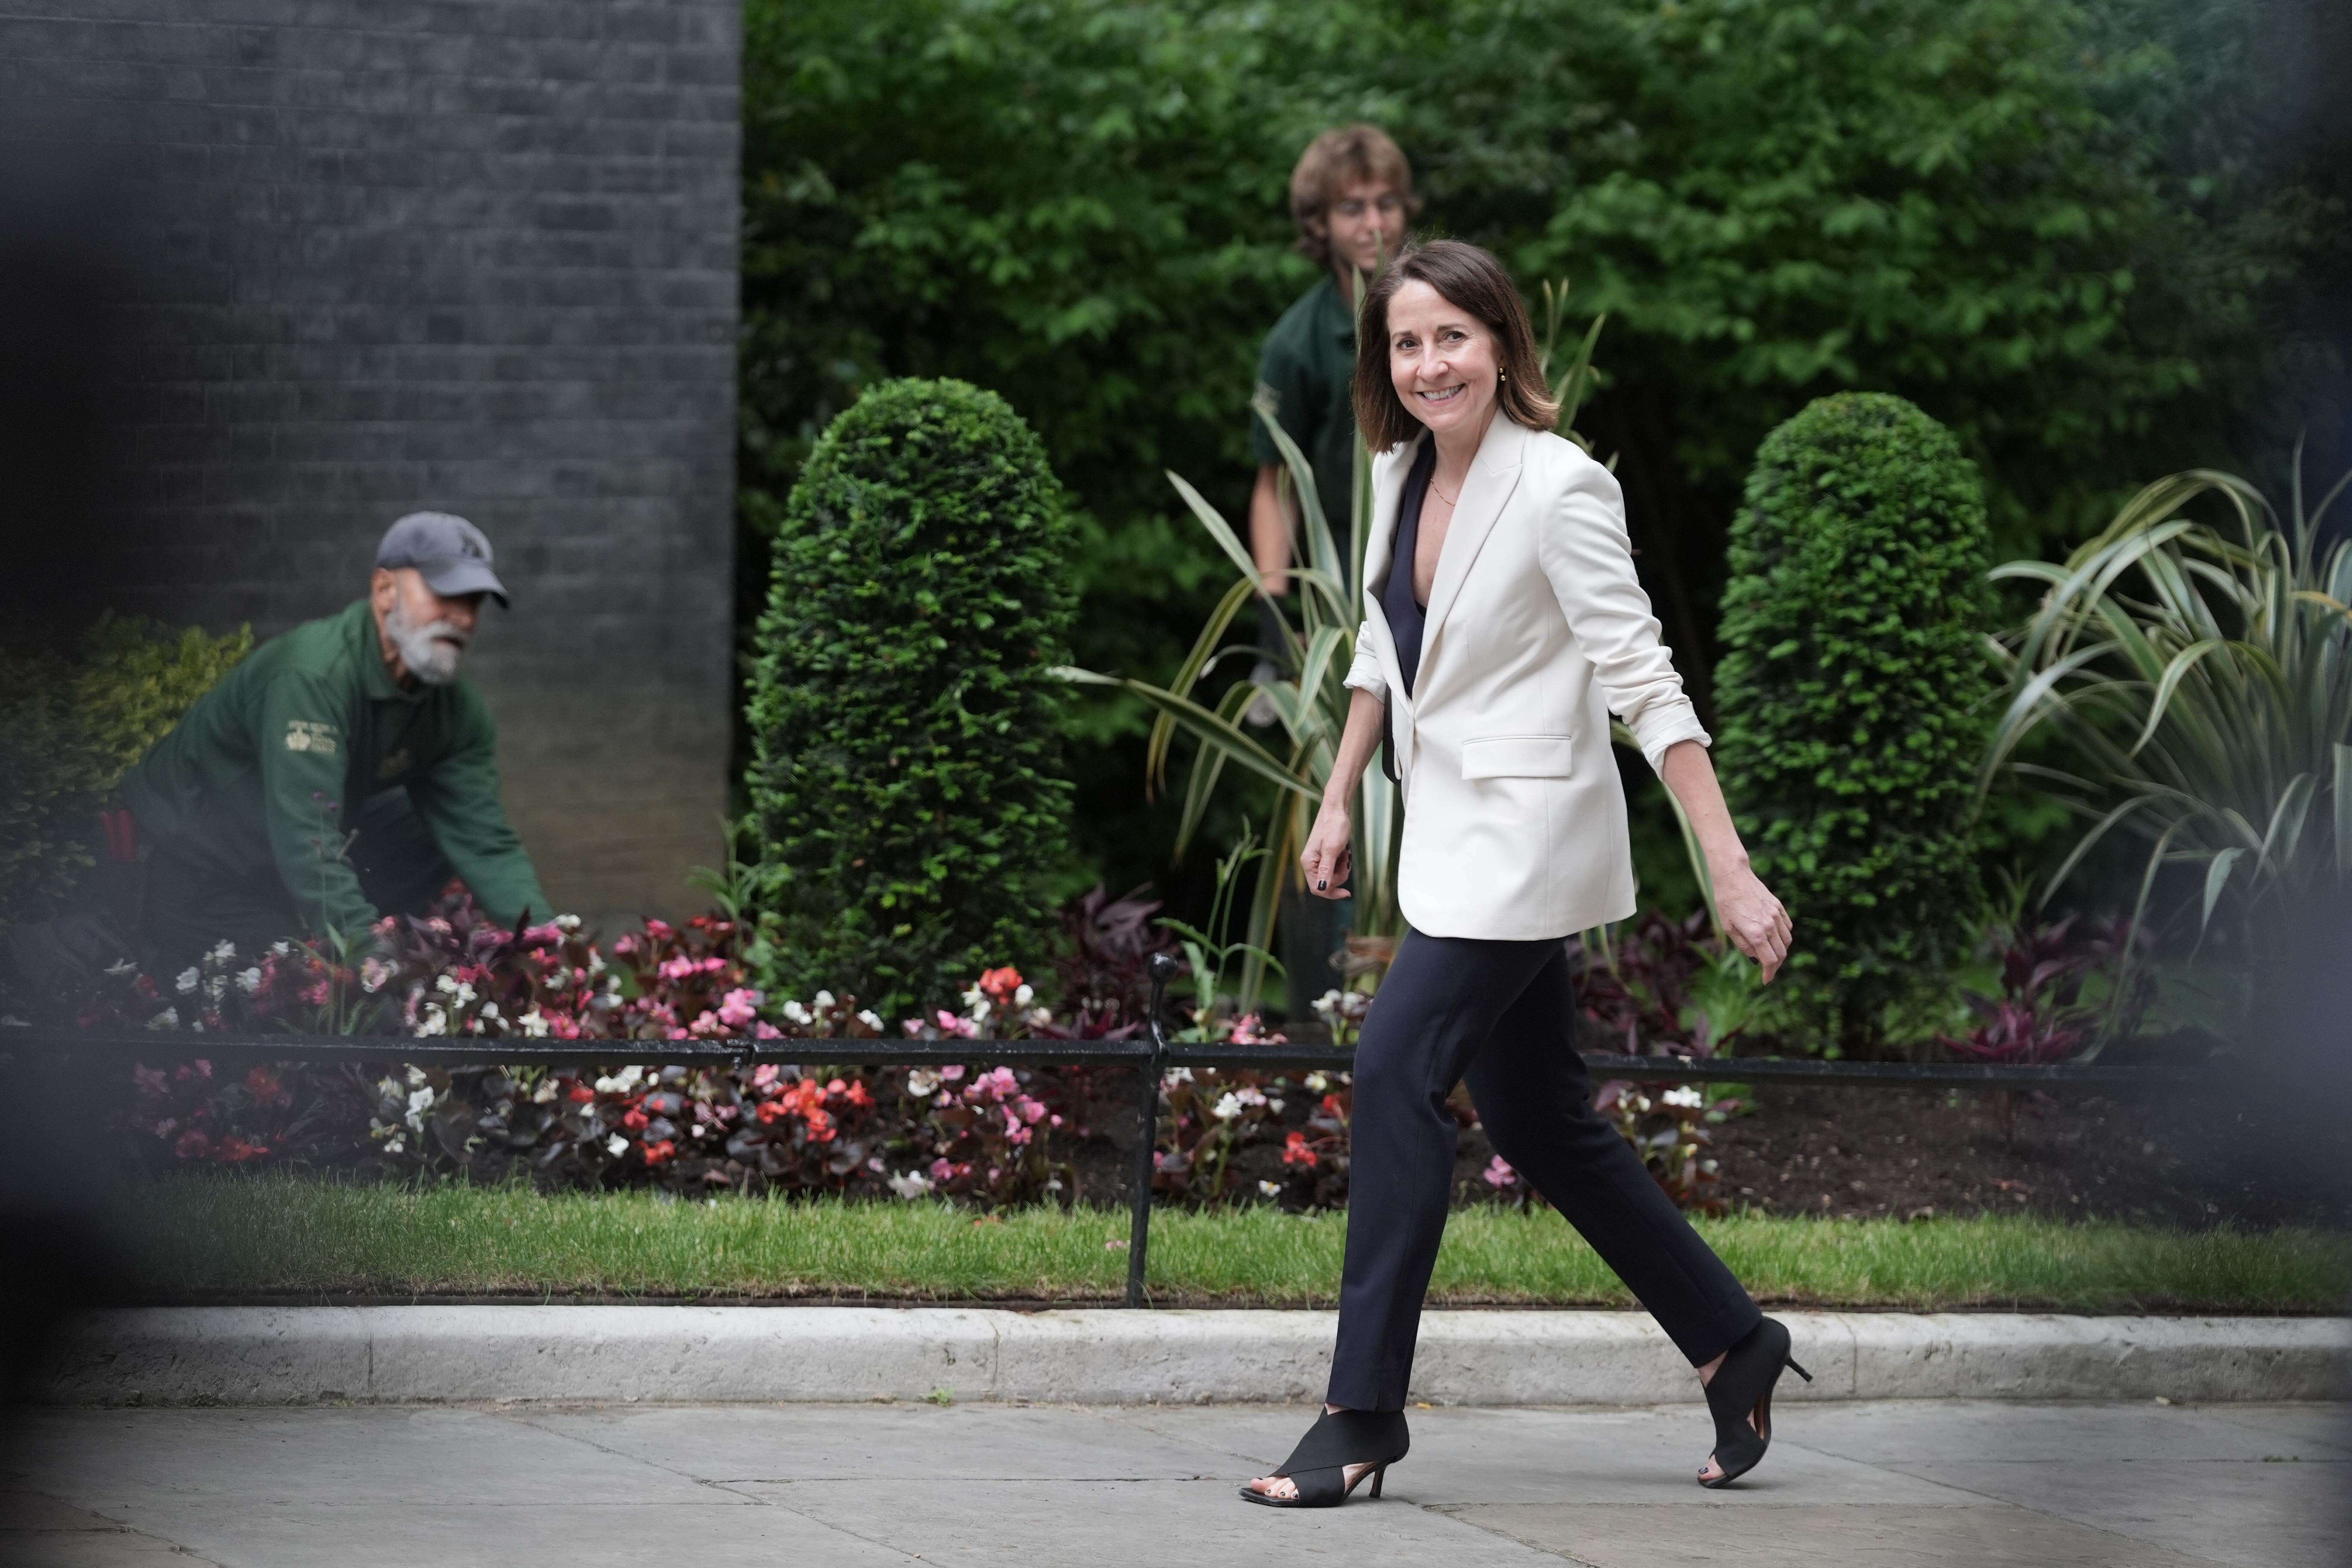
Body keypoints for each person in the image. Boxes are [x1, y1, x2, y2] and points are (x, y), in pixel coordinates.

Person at [1240, 241, 1801, 1509]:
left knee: (1392, 1070)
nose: (1429, 362)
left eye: (1453, 337)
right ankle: (1734, 1342)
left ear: (1501, 345)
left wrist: (1726, 864)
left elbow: (1643, 678)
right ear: (1385, 363)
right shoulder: (1393, 475)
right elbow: (1385, 650)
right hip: (1446, 834)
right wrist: (1337, 797)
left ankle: (1361, 1412)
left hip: (1527, 844)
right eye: (1406, 342)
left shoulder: (1562, 488)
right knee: (1540, 1115)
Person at [119, 512, 550, 965]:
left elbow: (483, 839)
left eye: (473, 601)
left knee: (430, 823)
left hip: (275, 853)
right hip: (194, 867)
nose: (460, 617)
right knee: (304, 988)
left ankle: (332, 930)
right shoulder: (313, 676)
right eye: (443, 594)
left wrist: (548, 947)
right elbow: (308, 833)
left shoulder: (456, 709)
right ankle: (224, 939)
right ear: (385, 590)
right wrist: (366, 954)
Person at [1247, 125, 1414, 1020]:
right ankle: (1329, 1014)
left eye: (1386, 202)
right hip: (1331, 607)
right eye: (1353, 206)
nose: (1373, 221)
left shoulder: (1429, 317)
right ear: (1321, 220)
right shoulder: (1299, 338)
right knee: (1330, 792)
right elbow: (1270, 484)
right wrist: (1277, 622)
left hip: (1426, 586)